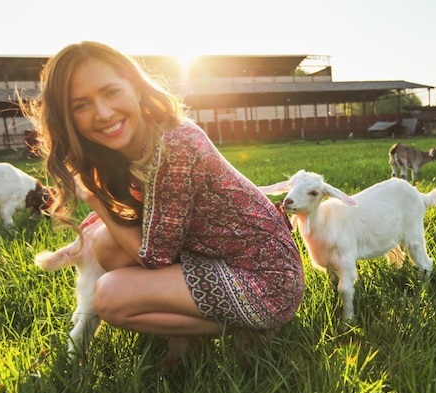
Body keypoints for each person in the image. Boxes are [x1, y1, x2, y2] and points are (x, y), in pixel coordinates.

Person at [22, 41, 304, 363]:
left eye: (111, 92)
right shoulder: (129, 148)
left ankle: (249, 328)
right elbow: (152, 235)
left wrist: (91, 195)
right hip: (218, 261)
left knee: (112, 297)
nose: (102, 113)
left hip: (266, 280)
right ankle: (184, 344)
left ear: (136, 87)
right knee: (106, 241)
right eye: (81, 105)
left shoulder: (175, 144)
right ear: (66, 117)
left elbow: (154, 258)